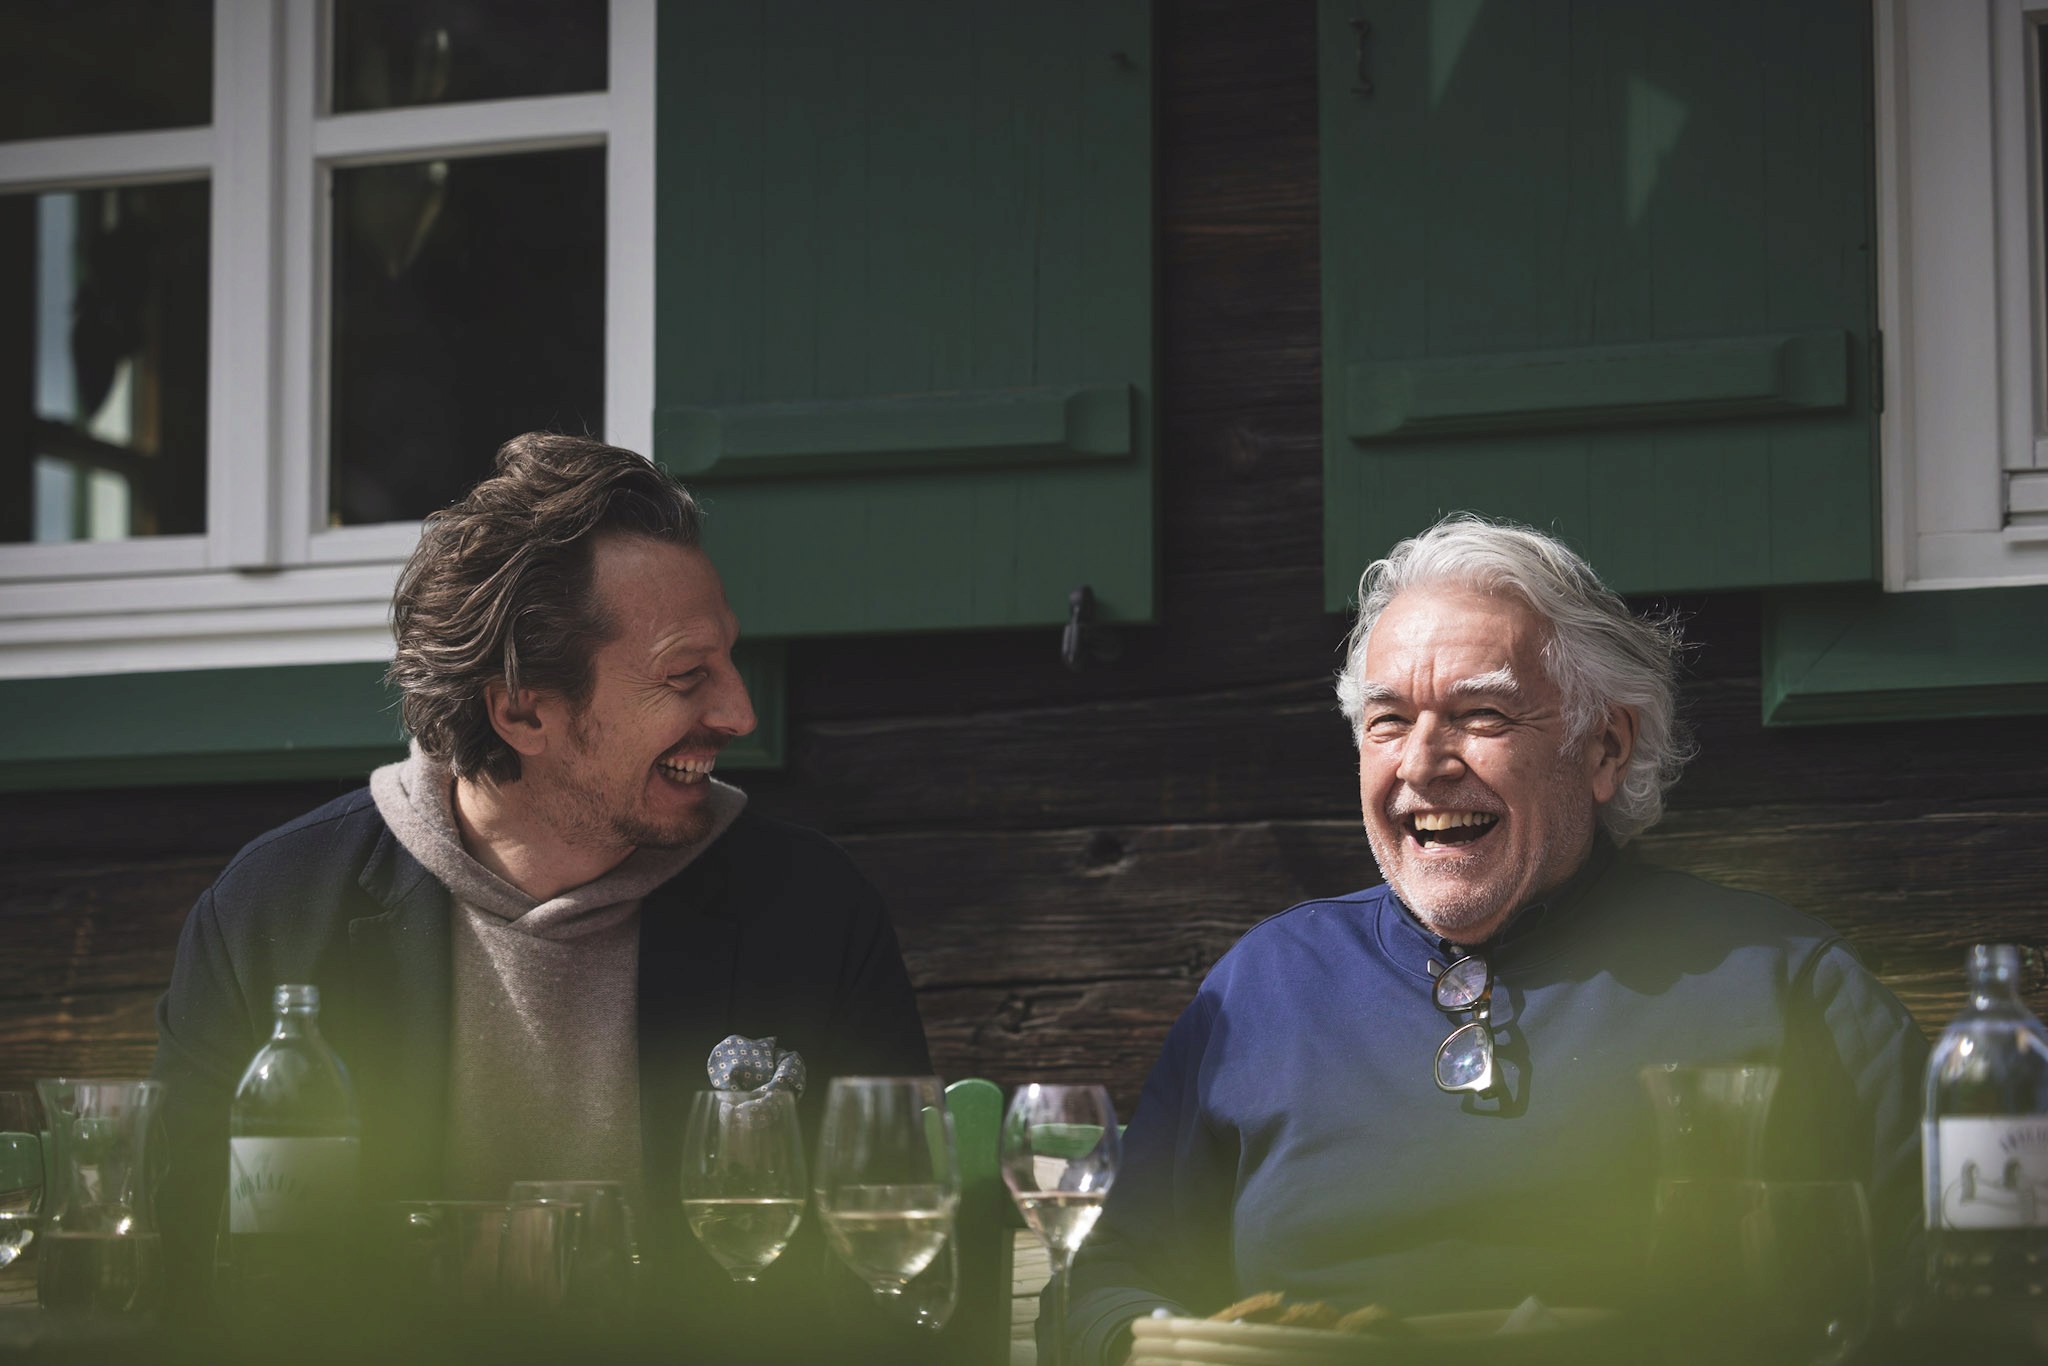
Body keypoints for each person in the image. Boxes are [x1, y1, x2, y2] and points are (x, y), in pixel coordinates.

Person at [1057, 515, 1929, 1364]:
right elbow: (1109, 1281)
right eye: (1387, 721)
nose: (1422, 763)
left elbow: (1937, 1295)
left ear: (1605, 748)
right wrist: (1149, 1348)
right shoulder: (1263, 990)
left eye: (1481, 714)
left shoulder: (1786, 988)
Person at [151, 433, 931, 1334]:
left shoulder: (812, 910)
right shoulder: (272, 912)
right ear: (522, 710)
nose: (739, 712)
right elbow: (186, 1277)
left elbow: (887, 1270)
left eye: (727, 661)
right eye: (687, 676)